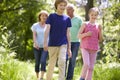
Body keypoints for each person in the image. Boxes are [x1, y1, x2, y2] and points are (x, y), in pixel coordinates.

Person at [43, 0, 72, 80]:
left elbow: (68, 33)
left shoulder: (67, 19)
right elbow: (47, 29)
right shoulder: (51, 16)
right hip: (52, 44)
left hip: (63, 44)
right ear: (56, 5)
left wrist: (69, 48)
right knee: (51, 64)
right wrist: (45, 42)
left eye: (64, 5)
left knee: (62, 62)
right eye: (60, 5)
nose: (62, 7)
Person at [77, 7, 103, 80]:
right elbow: (78, 36)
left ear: (97, 16)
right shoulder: (85, 24)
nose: (94, 16)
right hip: (85, 47)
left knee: (91, 67)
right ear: (89, 15)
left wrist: (100, 30)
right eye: (92, 15)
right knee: (86, 64)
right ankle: (81, 78)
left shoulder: (98, 26)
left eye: (95, 15)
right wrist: (86, 34)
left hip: (94, 48)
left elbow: (100, 39)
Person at [66, 4, 82, 80]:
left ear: (73, 10)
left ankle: (69, 78)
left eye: (69, 9)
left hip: (76, 43)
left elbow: (83, 30)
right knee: (64, 60)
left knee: (72, 61)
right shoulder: (65, 19)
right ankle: (62, 77)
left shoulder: (78, 19)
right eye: (67, 9)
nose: (67, 11)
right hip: (65, 42)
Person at [31, 10, 48, 80]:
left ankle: (41, 77)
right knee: (37, 62)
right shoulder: (35, 25)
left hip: (45, 47)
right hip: (37, 47)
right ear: (40, 16)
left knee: (43, 61)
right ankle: (37, 76)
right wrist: (35, 43)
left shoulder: (48, 25)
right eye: (42, 15)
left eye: (46, 16)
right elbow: (34, 35)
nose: (44, 17)